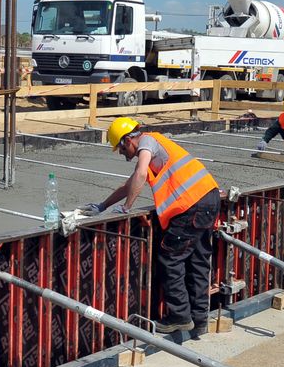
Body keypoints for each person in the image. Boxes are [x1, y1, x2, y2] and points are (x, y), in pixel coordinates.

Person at [80, 117, 220, 336]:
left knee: (170, 258)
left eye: (120, 148)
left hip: (191, 206)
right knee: (198, 261)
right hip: (208, 197)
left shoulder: (148, 142)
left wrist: (127, 208)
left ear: (128, 140)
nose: (121, 153)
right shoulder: (155, 146)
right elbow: (132, 183)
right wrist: (102, 206)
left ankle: (180, 316)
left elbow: (141, 173)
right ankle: (200, 320)